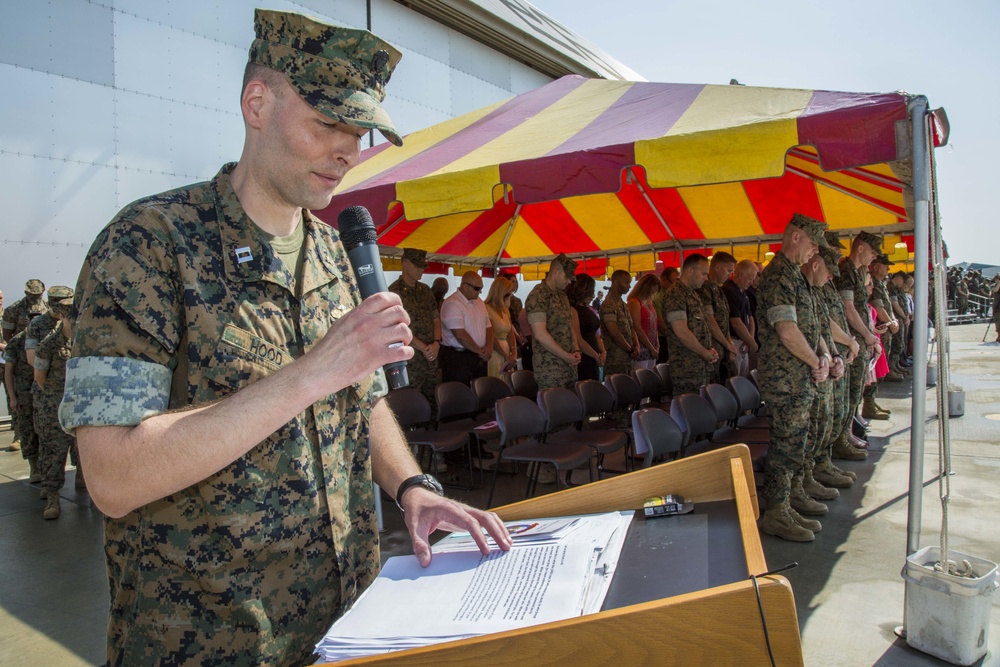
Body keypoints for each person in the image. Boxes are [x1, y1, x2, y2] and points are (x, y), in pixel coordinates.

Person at [59, 10, 510, 665]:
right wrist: (312, 371)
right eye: (328, 122)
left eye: (359, 131)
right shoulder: (149, 244)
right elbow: (112, 477)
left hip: (345, 626)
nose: (348, 150)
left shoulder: (336, 251)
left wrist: (412, 486)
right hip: (209, 643)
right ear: (257, 104)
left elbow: (366, 401)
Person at [756, 213, 832, 542]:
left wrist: (826, 357)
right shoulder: (778, 277)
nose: (815, 252)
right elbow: (787, 331)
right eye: (813, 244)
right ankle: (775, 511)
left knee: (796, 443)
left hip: (798, 377)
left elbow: (810, 327)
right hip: (784, 379)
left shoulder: (794, 276)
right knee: (785, 446)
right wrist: (817, 361)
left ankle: (789, 500)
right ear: (797, 237)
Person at [835, 230, 883, 460]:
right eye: (873, 251)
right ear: (861, 248)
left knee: (853, 395)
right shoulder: (846, 272)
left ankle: (848, 434)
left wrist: (869, 335)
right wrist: (867, 335)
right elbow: (848, 308)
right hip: (851, 343)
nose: (874, 257)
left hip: (858, 341)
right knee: (848, 394)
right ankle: (843, 438)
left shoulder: (854, 273)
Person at [33, 287, 79, 519]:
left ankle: (87, 485)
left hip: (81, 406)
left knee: (84, 451)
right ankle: (52, 497)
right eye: (69, 313)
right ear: (62, 316)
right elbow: (40, 379)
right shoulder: (48, 345)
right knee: (55, 453)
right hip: (56, 405)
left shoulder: (85, 341)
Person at [388, 248, 441, 406]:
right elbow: (398, 328)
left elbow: (436, 319)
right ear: (404, 263)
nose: (421, 270)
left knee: (432, 403)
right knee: (410, 405)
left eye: (423, 266)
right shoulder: (393, 292)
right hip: (410, 361)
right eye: (417, 266)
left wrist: (437, 343)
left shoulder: (426, 290)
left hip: (431, 357)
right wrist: (424, 347)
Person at [661, 254, 717, 396]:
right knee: (688, 411)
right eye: (703, 274)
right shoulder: (675, 294)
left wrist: (709, 349)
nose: (706, 278)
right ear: (690, 271)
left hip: (699, 364)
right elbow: (681, 331)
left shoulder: (692, 294)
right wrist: (704, 352)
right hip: (686, 367)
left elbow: (700, 328)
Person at [525, 254, 580, 390]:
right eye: (567, 277)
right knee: (554, 408)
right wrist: (566, 356)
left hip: (569, 367)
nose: (569, 282)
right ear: (556, 272)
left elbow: (569, 326)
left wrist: (576, 349)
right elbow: (540, 334)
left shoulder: (562, 295)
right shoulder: (538, 295)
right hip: (550, 369)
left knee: (571, 408)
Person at [440, 270, 493, 384]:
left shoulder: (479, 302)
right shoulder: (453, 303)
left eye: (481, 288)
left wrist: (489, 347)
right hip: (458, 357)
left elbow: (488, 326)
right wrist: (480, 351)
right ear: (465, 286)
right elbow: (460, 335)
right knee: (461, 395)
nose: (480, 292)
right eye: (477, 288)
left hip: (478, 355)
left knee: (481, 393)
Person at [700, 252, 738, 382]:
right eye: (728, 270)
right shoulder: (705, 289)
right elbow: (710, 321)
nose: (730, 274)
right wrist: (727, 344)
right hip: (712, 350)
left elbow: (724, 320)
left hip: (722, 350)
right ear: (717, 267)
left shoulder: (718, 289)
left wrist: (728, 343)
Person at [723, 259, 759, 377]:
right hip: (735, 341)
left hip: (744, 341)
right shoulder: (729, 291)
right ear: (740, 275)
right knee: (735, 379)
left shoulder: (743, 292)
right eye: (749, 278)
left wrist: (750, 339)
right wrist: (751, 342)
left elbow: (750, 318)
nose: (751, 282)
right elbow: (735, 322)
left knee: (744, 378)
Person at [567, 273, 605, 382]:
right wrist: (596, 356)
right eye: (591, 293)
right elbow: (578, 339)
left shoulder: (588, 309)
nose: (593, 296)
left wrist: (602, 351)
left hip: (593, 357)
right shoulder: (572, 310)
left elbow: (595, 333)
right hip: (585, 358)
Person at [600, 270, 638, 377]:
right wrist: (630, 349)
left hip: (627, 359)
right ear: (616, 282)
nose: (629, 286)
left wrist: (636, 346)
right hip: (616, 360)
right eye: (626, 283)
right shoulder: (609, 304)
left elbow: (631, 328)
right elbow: (614, 334)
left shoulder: (623, 304)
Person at [484, 276, 517, 377]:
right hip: (494, 354)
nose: (509, 296)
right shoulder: (486, 309)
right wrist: (505, 355)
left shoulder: (505, 310)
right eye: (507, 294)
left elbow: (511, 333)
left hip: (507, 356)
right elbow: (490, 336)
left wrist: (513, 352)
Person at [627, 274, 660, 370]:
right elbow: (637, 327)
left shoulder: (649, 302)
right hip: (642, 346)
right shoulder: (635, 302)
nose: (654, 291)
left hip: (652, 346)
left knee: (650, 378)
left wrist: (657, 345)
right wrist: (651, 347)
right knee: (641, 377)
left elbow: (654, 325)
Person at [1, 279, 47, 343]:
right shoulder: (13, 309)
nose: (35, 299)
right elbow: (6, 335)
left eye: (38, 295)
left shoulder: (48, 307)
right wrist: (16, 348)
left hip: (43, 348)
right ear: (26, 293)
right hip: (22, 347)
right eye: (32, 295)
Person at [653, 267, 679, 364]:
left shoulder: (674, 295)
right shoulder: (658, 298)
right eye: (672, 282)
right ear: (663, 279)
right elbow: (660, 323)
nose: (675, 286)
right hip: (663, 339)